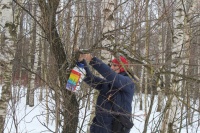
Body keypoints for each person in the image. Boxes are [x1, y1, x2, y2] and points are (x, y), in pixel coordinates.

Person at [79, 54, 135, 133]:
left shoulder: (128, 82)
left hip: (115, 129)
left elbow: (113, 77)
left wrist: (92, 60)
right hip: (99, 128)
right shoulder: (108, 83)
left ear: (123, 68)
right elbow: (90, 79)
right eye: (111, 65)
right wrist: (81, 62)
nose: (112, 67)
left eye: (115, 65)